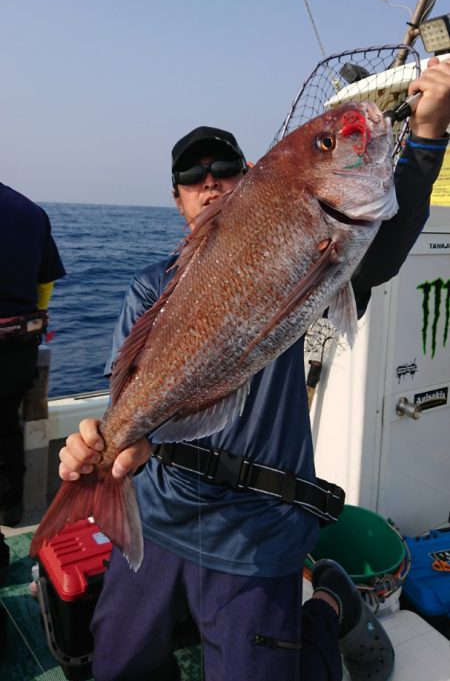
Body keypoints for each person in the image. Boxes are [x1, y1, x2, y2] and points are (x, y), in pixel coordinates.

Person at [59, 58, 450, 681]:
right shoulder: (149, 289)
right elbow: (130, 397)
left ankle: (327, 606)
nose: (209, 183)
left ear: (250, 183)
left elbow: (381, 255)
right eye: (192, 177)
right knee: (115, 663)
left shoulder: (307, 244)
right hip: (159, 513)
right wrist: (109, 444)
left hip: (259, 529)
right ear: (177, 198)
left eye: (224, 170)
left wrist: (427, 138)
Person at [0, 185, 65, 526]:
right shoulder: (31, 211)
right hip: (17, 349)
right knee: (6, 426)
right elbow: (46, 280)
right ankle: (10, 508)